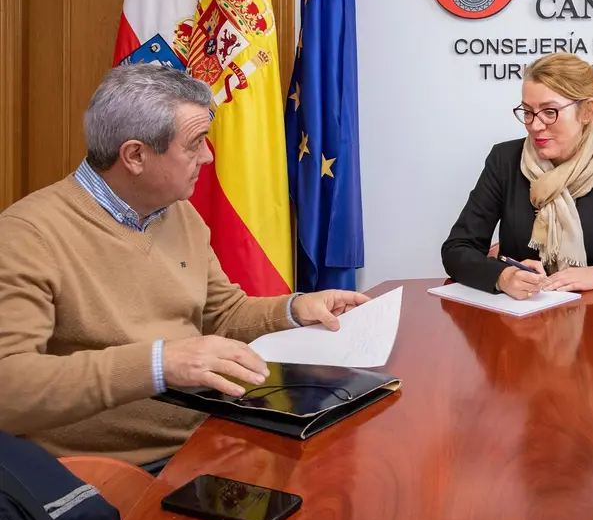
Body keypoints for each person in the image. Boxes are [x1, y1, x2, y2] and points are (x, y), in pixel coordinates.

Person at [0, 65, 369, 472]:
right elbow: (10, 388)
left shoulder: (179, 213)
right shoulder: (27, 235)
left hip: (212, 434)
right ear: (135, 155)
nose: (208, 157)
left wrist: (294, 309)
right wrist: (160, 364)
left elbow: (224, 314)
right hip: (113, 471)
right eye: (195, 144)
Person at [441, 52, 593, 298]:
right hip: (519, 323)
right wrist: (502, 276)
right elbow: (456, 250)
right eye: (527, 112)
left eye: (550, 112)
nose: (535, 125)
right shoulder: (504, 161)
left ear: (586, 111)